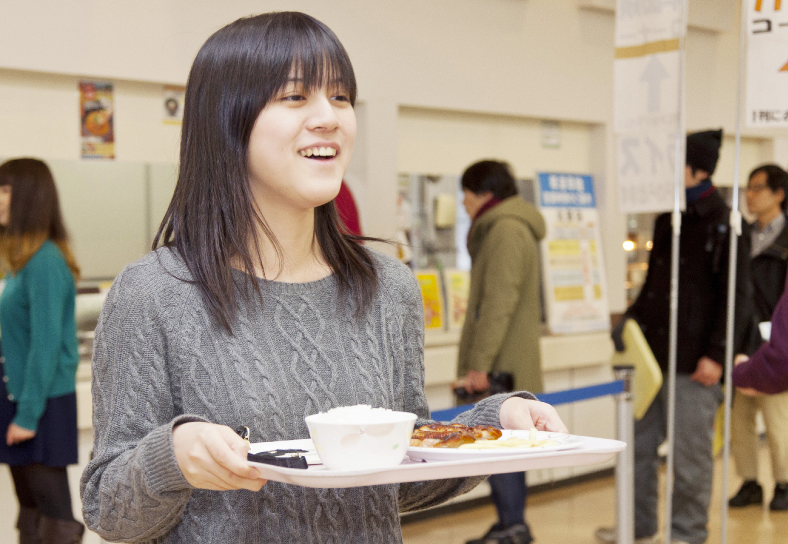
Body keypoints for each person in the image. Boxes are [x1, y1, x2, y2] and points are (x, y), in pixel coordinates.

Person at [79, 12, 566, 544]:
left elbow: (394, 478)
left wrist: (500, 422)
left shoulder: (386, 287)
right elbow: (109, 508)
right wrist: (171, 457)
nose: (329, 118)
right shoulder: (155, 294)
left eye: (340, 97)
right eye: (294, 97)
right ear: (227, 119)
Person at [598, 129, 752, 544]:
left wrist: (718, 354)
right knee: (638, 450)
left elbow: (736, 297)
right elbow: (655, 285)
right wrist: (629, 320)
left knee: (690, 459)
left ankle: (687, 533)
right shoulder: (669, 219)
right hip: (651, 359)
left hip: (697, 364)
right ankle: (637, 525)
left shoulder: (727, 224)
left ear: (698, 168)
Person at [455, 160, 546, 544]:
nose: (463, 203)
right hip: (503, 359)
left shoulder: (506, 230)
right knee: (502, 446)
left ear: (485, 194)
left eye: (467, 194)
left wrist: (479, 365)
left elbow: (498, 304)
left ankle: (514, 525)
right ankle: (509, 521)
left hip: (502, 365)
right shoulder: (505, 226)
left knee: (505, 446)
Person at [0, 158, 84, 543]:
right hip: (18, 398)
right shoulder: (17, 261)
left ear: (28, 198)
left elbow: (45, 347)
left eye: (4, 190)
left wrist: (29, 414)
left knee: (55, 515)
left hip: (41, 403)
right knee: (29, 507)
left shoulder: (45, 262)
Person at [729, 164, 788, 511]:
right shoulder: (740, 238)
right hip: (741, 340)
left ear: (778, 193)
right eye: (747, 189)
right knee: (741, 421)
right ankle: (749, 480)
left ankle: (784, 482)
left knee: (778, 417)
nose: (750, 196)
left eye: (757, 188)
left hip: (776, 342)